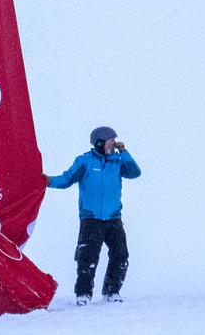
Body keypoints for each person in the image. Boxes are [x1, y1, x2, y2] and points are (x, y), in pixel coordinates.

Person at [44, 125, 142, 306]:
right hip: (91, 218)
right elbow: (67, 179)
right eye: (111, 139)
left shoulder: (118, 161)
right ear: (100, 141)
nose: (114, 142)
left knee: (120, 256)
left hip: (113, 217)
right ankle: (83, 294)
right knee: (87, 257)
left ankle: (112, 291)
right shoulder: (85, 161)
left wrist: (124, 151)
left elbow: (135, 173)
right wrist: (47, 181)